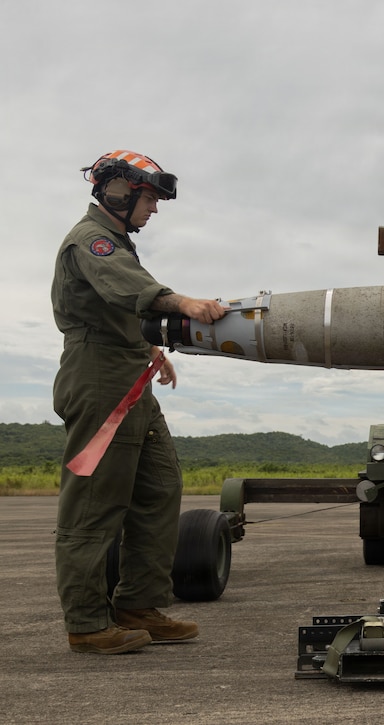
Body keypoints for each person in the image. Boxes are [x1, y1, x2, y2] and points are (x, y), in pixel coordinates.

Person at [52, 150, 228, 654]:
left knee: (159, 488)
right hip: (100, 378)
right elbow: (128, 289)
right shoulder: (93, 240)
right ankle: (86, 623)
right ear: (118, 191)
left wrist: (151, 350)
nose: (153, 210)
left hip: (130, 374)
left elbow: (114, 305)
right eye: (148, 199)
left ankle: (138, 604)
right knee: (95, 503)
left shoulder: (118, 243)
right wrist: (182, 303)